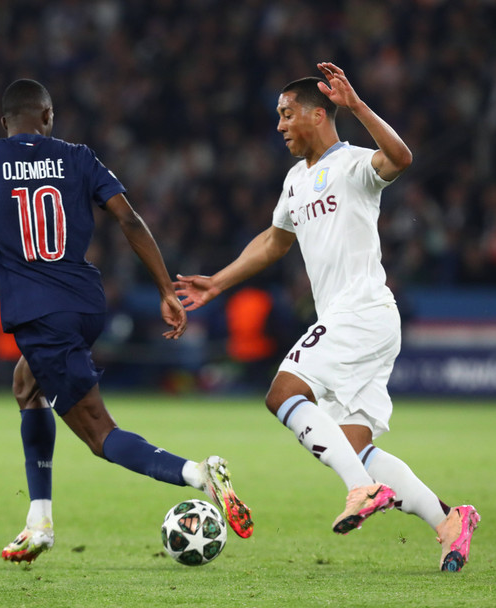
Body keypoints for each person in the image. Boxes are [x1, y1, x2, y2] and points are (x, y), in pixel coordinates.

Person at [0, 79, 253, 563]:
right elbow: (130, 220)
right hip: (85, 304)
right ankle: (38, 522)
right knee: (26, 384)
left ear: (5, 123)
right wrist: (165, 287)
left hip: (40, 314)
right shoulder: (78, 156)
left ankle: (199, 474)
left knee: (100, 436)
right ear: (48, 116)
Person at [175, 63, 479, 572]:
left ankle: (361, 491)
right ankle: (449, 519)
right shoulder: (296, 181)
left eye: (286, 114)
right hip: (364, 324)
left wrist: (358, 106)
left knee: (282, 392)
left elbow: (401, 157)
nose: (279, 126)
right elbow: (275, 240)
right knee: (355, 446)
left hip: (359, 312)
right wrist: (219, 281)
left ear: (318, 115)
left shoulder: (354, 165)